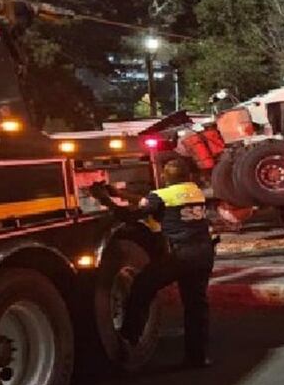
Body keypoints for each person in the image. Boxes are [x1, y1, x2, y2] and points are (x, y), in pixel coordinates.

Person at [93, 157, 217, 366]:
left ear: (164, 177)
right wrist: (119, 193)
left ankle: (129, 340)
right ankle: (197, 357)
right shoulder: (193, 190)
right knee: (196, 306)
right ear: (187, 176)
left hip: (180, 256)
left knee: (142, 286)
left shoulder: (161, 195)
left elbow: (131, 215)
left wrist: (104, 199)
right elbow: (150, 202)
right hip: (203, 254)